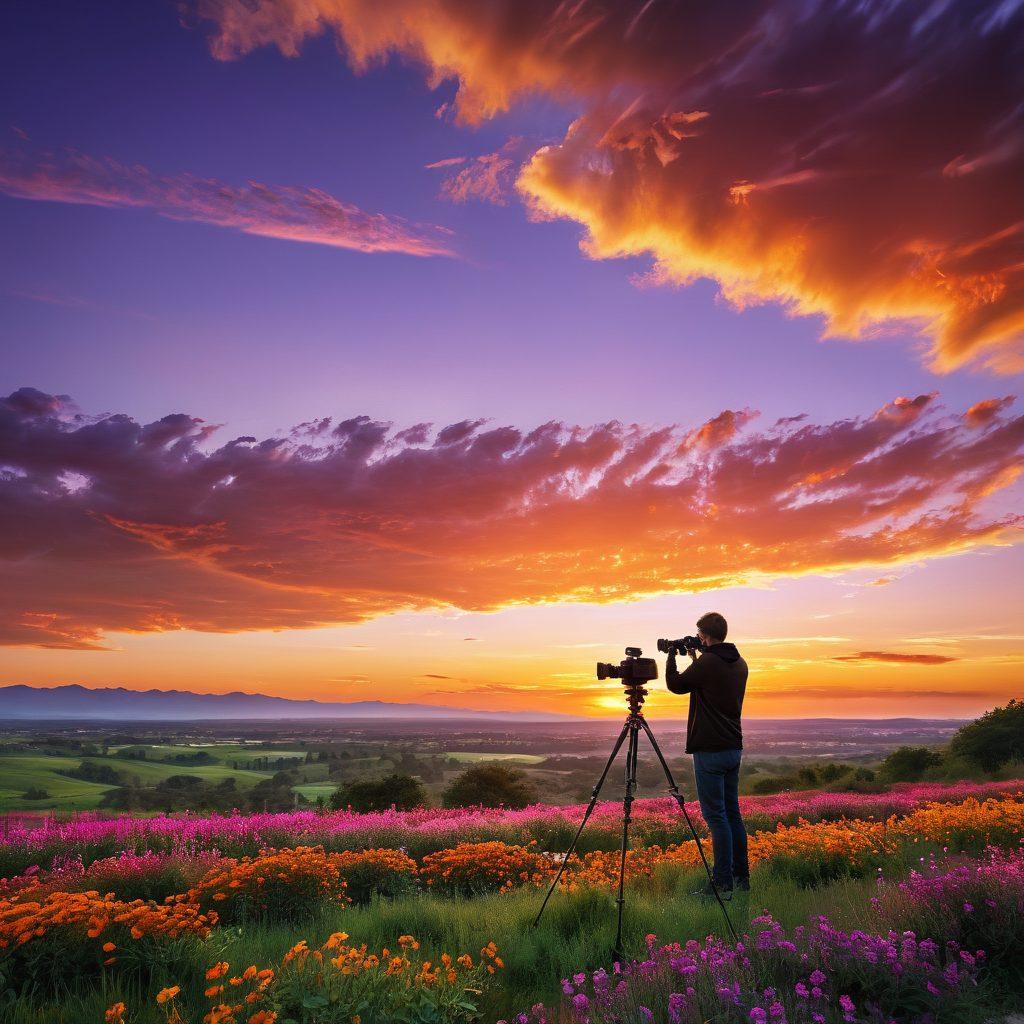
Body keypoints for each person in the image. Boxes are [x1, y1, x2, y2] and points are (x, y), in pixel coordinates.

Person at [664, 611, 749, 898]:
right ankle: (741, 877)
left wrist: (671, 655)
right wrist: (696, 658)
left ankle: (722, 883)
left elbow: (676, 685)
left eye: (699, 635)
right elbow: (710, 681)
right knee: (732, 815)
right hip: (733, 748)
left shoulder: (709, 663)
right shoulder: (739, 662)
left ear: (704, 635)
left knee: (716, 818)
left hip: (710, 751)